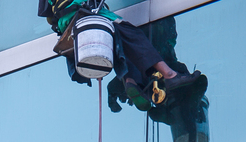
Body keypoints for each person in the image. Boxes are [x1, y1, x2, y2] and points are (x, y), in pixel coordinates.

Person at [38, 0, 199, 96]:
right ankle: (170, 75)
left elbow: (49, 17)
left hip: (68, 23)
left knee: (118, 45)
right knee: (133, 36)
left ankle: (131, 81)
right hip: (86, 13)